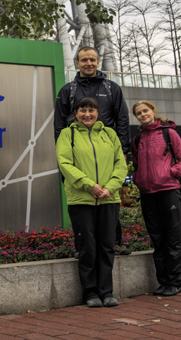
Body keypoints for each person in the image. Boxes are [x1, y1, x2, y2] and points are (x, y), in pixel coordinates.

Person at [54, 45, 131, 254]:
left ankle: (113, 242)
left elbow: (122, 119)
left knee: (109, 196)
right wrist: (63, 152)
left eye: (92, 60)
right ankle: (82, 247)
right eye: (84, 60)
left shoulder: (112, 88)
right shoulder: (67, 91)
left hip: (107, 150)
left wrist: (123, 150)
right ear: (77, 63)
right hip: (78, 154)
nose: (89, 63)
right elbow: (59, 124)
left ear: (98, 62)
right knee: (81, 200)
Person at [56, 96, 127, 308]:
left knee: (106, 246)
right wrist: (90, 185)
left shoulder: (109, 134)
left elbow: (120, 165)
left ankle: (107, 292)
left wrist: (110, 187)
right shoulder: (67, 135)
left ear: (98, 113)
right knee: (88, 247)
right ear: (75, 113)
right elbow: (65, 163)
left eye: (91, 110)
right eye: (82, 110)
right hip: (81, 200)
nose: (87, 114)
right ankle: (90, 292)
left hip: (109, 199)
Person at [131, 99, 181, 297]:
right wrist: (139, 180)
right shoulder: (137, 141)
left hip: (168, 191)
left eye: (145, 110)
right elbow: (137, 165)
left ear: (152, 111)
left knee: (172, 239)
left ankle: (175, 282)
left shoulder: (169, 133)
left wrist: (170, 173)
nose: (143, 114)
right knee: (157, 240)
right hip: (147, 194)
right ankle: (163, 282)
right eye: (139, 113)